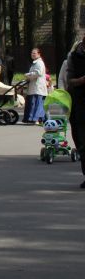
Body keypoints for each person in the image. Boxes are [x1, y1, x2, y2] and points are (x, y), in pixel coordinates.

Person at [63, 38, 85, 188]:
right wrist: (81, 80)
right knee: (81, 142)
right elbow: (69, 80)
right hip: (80, 103)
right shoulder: (74, 56)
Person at [24, 47, 47, 124]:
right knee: (34, 103)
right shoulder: (35, 63)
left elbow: (38, 73)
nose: (32, 54)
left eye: (34, 53)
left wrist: (28, 75)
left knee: (37, 103)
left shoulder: (39, 63)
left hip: (38, 87)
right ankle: (33, 118)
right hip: (34, 86)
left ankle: (36, 119)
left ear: (39, 54)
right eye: (32, 53)